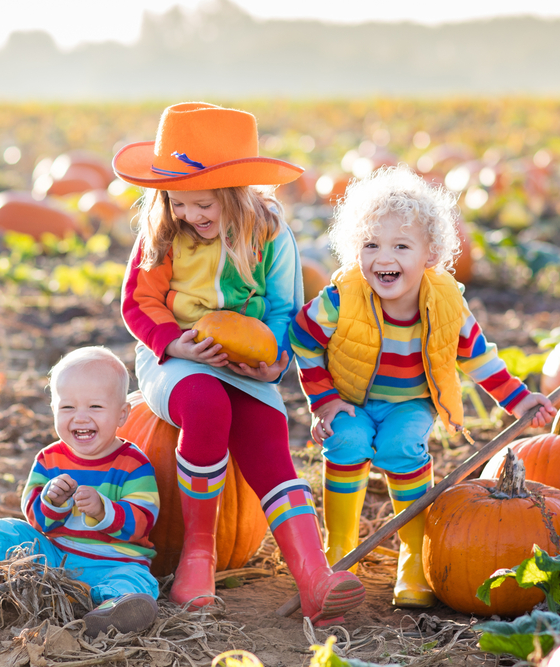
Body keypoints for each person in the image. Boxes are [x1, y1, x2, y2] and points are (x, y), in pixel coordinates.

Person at [116, 102, 365, 626]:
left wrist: (271, 364)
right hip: (175, 357)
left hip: (245, 361)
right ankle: (196, 563)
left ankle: (314, 578)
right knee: (207, 409)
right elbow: (138, 305)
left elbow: (281, 310)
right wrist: (176, 345)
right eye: (178, 203)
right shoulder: (163, 233)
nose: (190, 215)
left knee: (268, 432)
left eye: (202, 204)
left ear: (236, 194)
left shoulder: (271, 233)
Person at [289, 165, 557, 608]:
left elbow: (477, 356)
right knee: (347, 444)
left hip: (409, 403)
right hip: (351, 400)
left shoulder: (445, 305)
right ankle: (339, 554)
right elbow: (302, 337)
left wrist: (517, 398)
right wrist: (325, 400)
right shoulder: (342, 298)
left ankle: (413, 560)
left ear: (429, 254)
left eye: (400, 246)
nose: (383, 258)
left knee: (401, 449)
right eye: (370, 245)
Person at [0, 346, 161, 636]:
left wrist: (104, 510)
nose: (80, 417)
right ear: (53, 410)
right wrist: (52, 501)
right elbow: (38, 520)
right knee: (5, 530)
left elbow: (143, 521)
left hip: (114, 561)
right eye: (68, 407)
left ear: (123, 414)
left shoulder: (134, 464)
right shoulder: (49, 460)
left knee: (136, 580)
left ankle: (109, 610)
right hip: (55, 558)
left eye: (95, 407)